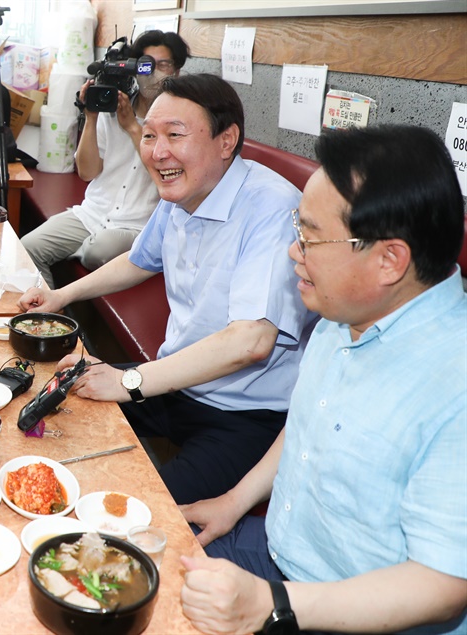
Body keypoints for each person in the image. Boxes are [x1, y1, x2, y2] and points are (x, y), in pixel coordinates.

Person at [179, 125, 466, 634]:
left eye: (309, 237)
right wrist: (233, 502)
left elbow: (443, 585)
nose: (294, 251)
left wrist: (271, 605)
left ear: (389, 260)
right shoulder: (345, 312)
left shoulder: (454, 382)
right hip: (276, 554)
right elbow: (310, 421)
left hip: (355, 614)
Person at [19, 74, 314, 505]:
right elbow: (138, 260)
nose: (157, 152)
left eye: (175, 135)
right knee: (55, 390)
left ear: (226, 140)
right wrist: (62, 296)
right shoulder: (183, 192)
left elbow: (251, 341)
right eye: (151, 135)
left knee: (140, 514)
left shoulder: (271, 208)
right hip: (175, 383)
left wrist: (130, 380)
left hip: (246, 416)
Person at [21, 31, 188, 289]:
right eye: (146, 64)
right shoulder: (112, 106)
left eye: (162, 65)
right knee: (27, 250)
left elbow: (167, 179)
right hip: (91, 214)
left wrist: (133, 128)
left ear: (176, 72)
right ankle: (50, 318)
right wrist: (91, 115)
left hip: (137, 225)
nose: (153, 72)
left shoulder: (181, 124)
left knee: (96, 251)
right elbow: (87, 172)